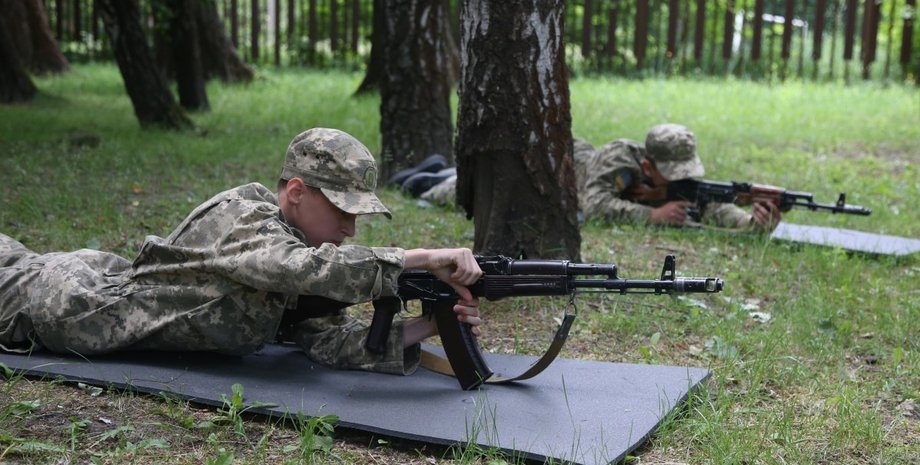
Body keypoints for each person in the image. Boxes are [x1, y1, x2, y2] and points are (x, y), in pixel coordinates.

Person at [0, 128, 483, 376]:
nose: (351, 227)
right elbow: (297, 269)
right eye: (341, 208)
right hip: (62, 302)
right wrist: (420, 258)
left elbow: (329, 343)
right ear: (296, 191)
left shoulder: (301, 255)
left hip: (84, 279)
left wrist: (429, 326)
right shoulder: (243, 218)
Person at [576, 123, 781, 231]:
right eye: (673, 174)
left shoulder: (676, 181)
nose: (681, 180)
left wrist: (748, 222)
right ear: (648, 167)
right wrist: (654, 215)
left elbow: (707, 203)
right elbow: (593, 205)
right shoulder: (619, 159)